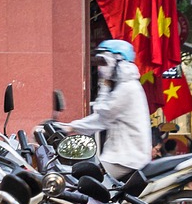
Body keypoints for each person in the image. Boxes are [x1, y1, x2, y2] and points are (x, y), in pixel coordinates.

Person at [65, 39, 152, 180]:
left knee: (87, 182)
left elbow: (102, 115)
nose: (100, 68)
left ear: (118, 62)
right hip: (120, 155)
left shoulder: (127, 88)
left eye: (104, 62)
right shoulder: (123, 86)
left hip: (125, 158)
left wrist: (70, 128)